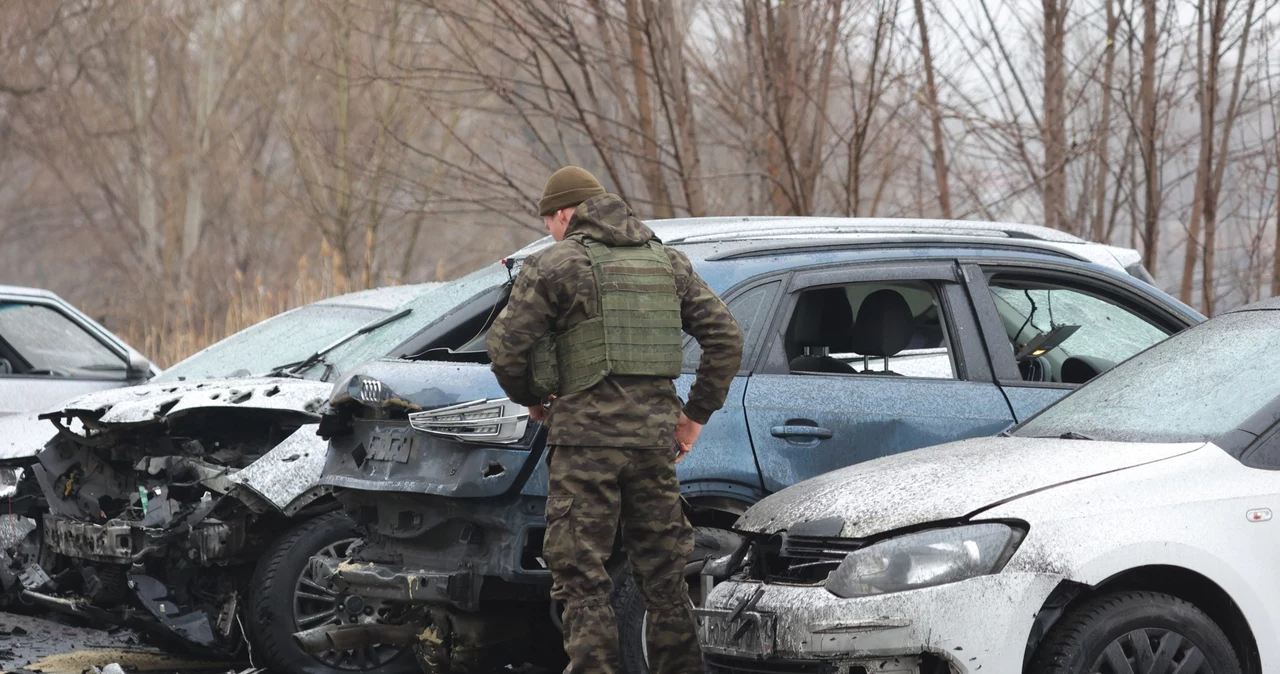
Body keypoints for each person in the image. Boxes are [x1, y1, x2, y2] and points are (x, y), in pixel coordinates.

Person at [486, 166, 744, 674]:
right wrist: (694, 418)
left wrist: (532, 398)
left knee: (582, 580)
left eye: (550, 221)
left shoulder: (555, 265)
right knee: (667, 581)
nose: (551, 231)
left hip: (584, 445)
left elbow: (506, 348)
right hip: (654, 444)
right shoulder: (666, 261)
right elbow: (726, 338)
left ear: (564, 213)